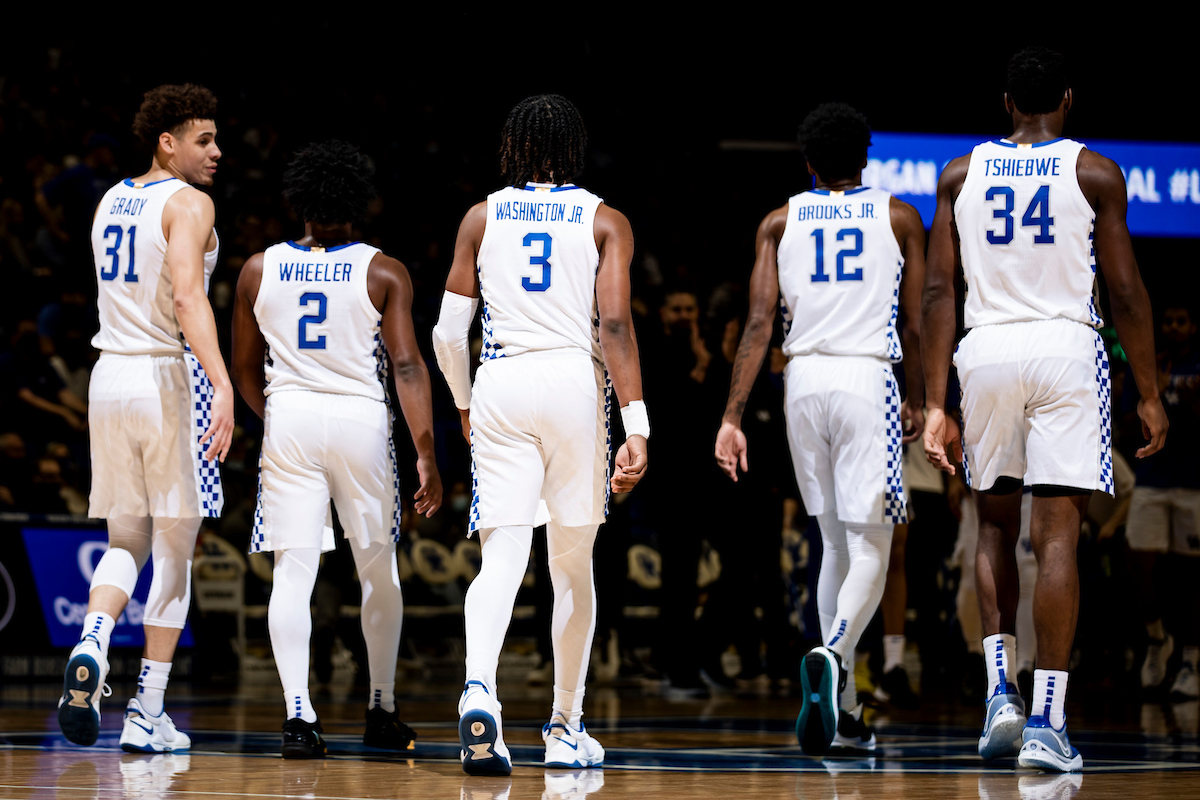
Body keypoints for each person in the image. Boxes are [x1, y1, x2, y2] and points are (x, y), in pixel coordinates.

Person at [922, 47, 1168, 772]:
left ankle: (1000, 692)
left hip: (986, 348)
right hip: (1065, 347)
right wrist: (1149, 392)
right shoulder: (1094, 172)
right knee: (1056, 537)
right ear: (1069, 98)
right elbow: (1125, 292)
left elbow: (939, 292)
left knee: (992, 527)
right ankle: (1047, 725)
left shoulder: (960, 174)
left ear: (1004, 104)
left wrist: (937, 403)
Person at [432, 94, 648, 776]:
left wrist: (465, 406)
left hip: (501, 379)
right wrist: (637, 425)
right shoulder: (605, 220)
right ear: (576, 151)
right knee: (571, 564)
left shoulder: (480, 216)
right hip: (573, 383)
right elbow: (613, 327)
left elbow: (445, 334)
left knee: (501, 556)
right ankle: (564, 727)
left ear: (513, 149)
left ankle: (478, 692)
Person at [715, 102, 927, 756]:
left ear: (807, 163)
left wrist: (731, 416)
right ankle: (834, 654)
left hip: (800, 383)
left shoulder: (779, 220)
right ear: (866, 159)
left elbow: (757, 325)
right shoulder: (897, 215)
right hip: (866, 379)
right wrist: (921, 398)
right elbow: (915, 323)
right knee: (874, 548)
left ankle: (843, 711)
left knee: (832, 542)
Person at [231, 140, 442, 759]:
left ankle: (299, 716)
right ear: (359, 200)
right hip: (360, 419)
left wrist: (278, 418)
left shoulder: (256, 269)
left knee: (293, 574)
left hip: (290, 417)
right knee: (378, 569)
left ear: (296, 201)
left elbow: (245, 368)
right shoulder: (383, 270)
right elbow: (406, 365)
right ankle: (381, 707)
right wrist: (427, 452)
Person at [58, 84, 234, 752]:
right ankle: (147, 711)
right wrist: (218, 383)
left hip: (109, 376)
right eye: (204, 140)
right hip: (165, 374)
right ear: (167, 141)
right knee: (174, 549)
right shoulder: (189, 203)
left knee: (124, 540)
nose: (217, 152)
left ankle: (93, 642)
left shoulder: (110, 199)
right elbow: (189, 298)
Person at [1120, 305, 1200, 698]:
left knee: (1190, 580)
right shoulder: (1146, 366)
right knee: (1138, 564)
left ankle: (1190, 659)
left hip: (1192, 482)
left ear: (1193, 325)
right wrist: (1155, 394)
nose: (1173, 326)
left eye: (1180, 320)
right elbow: (1122, 423)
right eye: (1167, 320)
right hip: (1150, 477)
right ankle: (1156, 639)